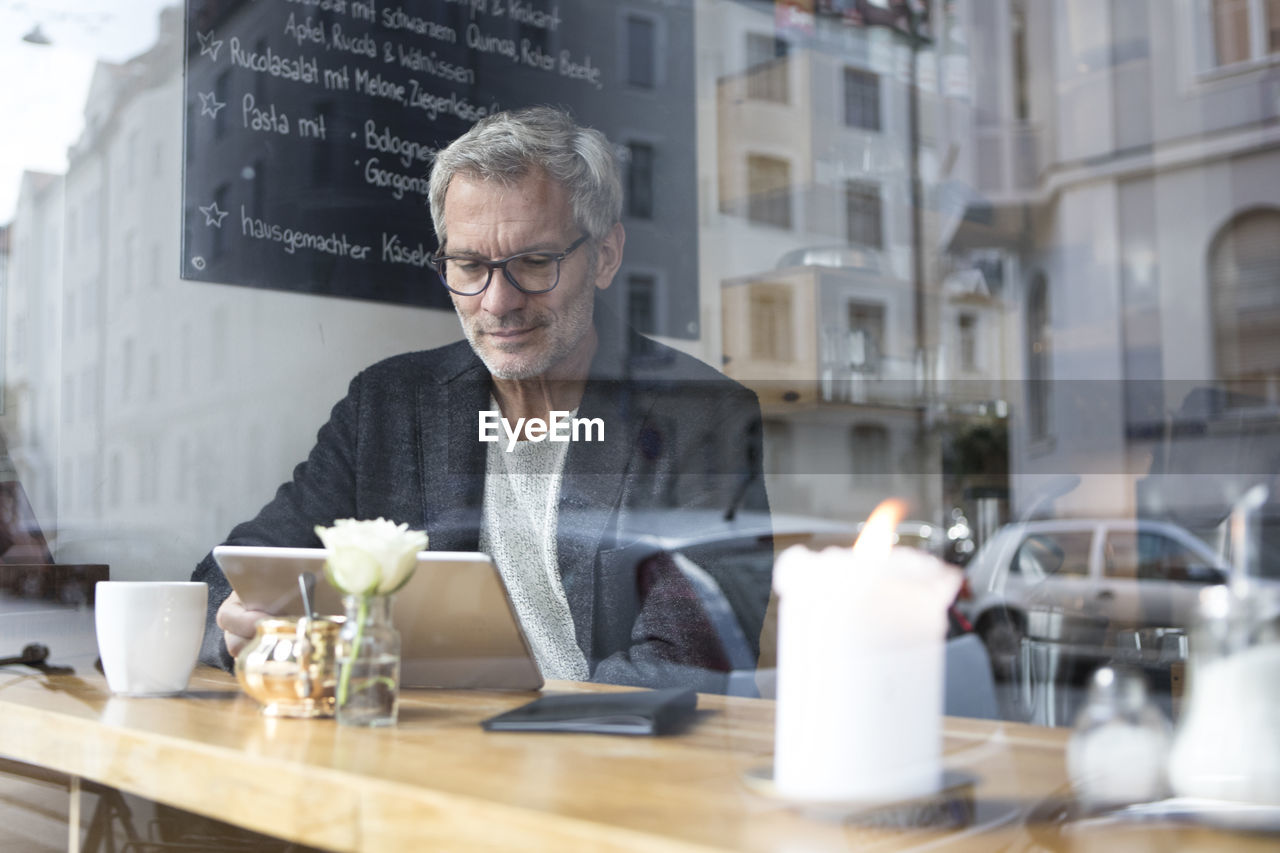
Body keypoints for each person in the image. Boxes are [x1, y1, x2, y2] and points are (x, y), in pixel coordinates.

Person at [193, 106, 769, 691]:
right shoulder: (387, 405)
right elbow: (240, 570)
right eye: (468, 265)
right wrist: (234, 625)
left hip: (600, 765)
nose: (497, 302)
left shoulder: (702, 415)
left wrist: (518, 744)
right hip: (420, 751)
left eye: (535, 263)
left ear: (606, 255)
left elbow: (686, 659)